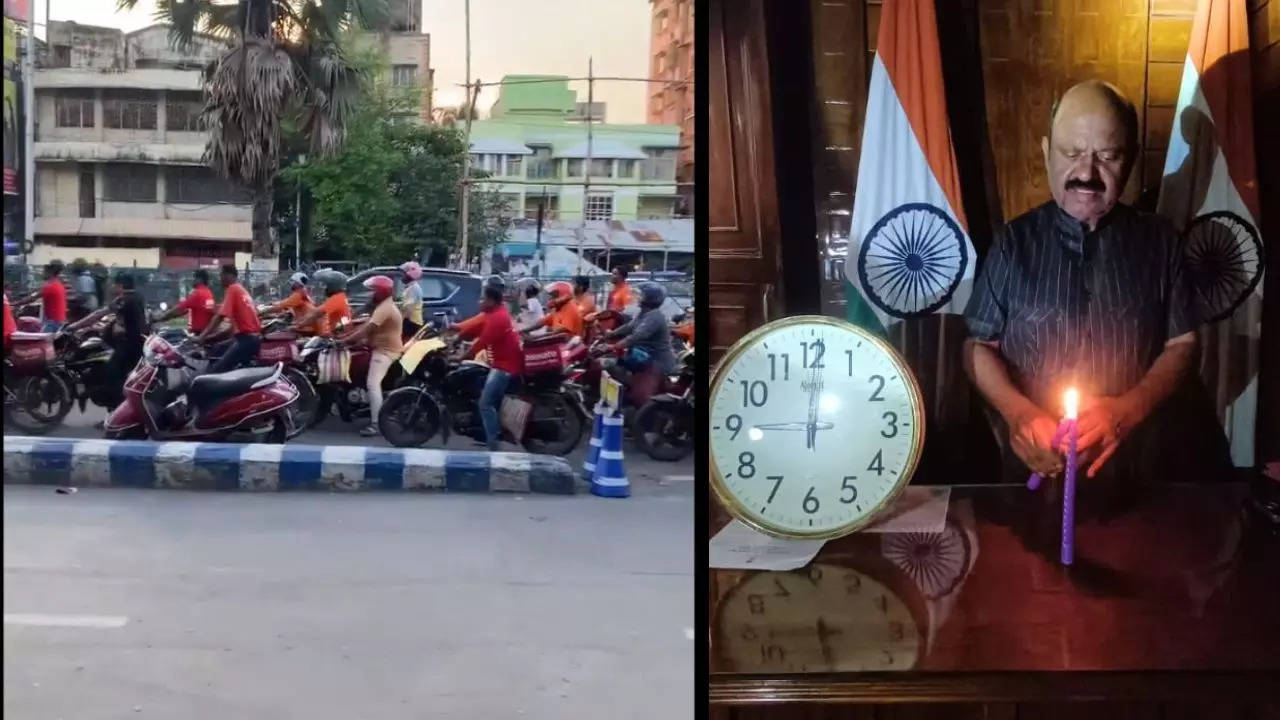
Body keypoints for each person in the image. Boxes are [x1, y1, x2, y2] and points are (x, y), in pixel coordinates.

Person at [962, 79, 1229, 487]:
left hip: (1137, 474)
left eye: (1107, 156)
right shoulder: (1013, 242)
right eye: (1071, 153)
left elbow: (1183, 345)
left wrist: (1128, 410)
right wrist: (1018, 412)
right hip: (1034, 471)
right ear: (1045, 151)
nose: (1086, 173)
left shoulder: (1161, 241)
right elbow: (978, 345)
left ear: (1131, 159)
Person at [335, 276, 403, 437]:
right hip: (378, 346)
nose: (370, 294)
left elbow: (367, 329)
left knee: (373, 383)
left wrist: (345, 341)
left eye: (373, 291)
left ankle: (376, 424)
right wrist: (347, 332)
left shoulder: (384, 308)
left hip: (386, 351)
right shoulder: (380, 304)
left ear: (380, 292)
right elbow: (364, 320)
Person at [468, 284, 523, 451]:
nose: (481, 301)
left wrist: (462, 356)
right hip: (500, 362)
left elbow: (483, 341)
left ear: (491, 301)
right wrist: (457, 330)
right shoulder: (495, 312)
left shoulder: (498, 318)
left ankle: (492, 443)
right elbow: (474, 325)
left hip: (504, 367)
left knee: (485, 404)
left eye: (483, 298)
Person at [602, 282, 677, 388]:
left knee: (610, 364)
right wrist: (611, 334)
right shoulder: (642, 313)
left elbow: (637, 336)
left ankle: (629, 392)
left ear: (650, 299)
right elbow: (628, 327)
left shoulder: (654, 316)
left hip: (657, 362)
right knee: (614, 362)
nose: (636, 298)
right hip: (643, 356)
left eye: (640, 295)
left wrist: (614, 346)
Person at [198, 264, 263, 374]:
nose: (220, 278)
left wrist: (202, 336)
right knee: (220, 348)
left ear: (228, 275)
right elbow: (231, 328)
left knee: (217, 371)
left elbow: (220, 316)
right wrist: (211, 337)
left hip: (246, 340)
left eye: (221, 275)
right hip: (252, 338)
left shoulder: (232, 289)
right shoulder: (242, 290)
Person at [154, 269, 217, 334]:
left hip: (198, 333)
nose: (193, 280)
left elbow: (179, 309)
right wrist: (167, 317)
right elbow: (184, 311)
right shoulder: (208, 292)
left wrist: (160, 318)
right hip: (205, 332)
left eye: (194, 278)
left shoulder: (198, 293)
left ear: (200, 280)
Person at [448, 275, 507, 339]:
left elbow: (477, 322)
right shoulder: (500, 308)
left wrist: (458, 327)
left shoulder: (494, 312)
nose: (483, 299)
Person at [292, 271, 350, 336]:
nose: (324, 288)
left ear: (332, 286)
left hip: (338, 335)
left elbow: (317, 313)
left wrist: (299, 325)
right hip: (337, 332)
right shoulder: (341, 296)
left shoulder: (337, 298)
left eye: (326, 285)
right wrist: (300, 322)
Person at [16, 261, 68, 333]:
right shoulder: (58, 284)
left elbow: (32, 299)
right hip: (59, 320)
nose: (43, 273)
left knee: (40, 342)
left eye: (45, 271)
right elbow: (38, 291)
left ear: (50, 272)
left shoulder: (50, 286)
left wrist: (14, 304)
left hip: (52, 322)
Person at [399, 261, 425, 337]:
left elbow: (408, 308)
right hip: (411, 321)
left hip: (412, 322)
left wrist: (399, 319)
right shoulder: (410, 287)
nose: (402, 276)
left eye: (404, 274)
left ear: (410, 275)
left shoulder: (414, 288)